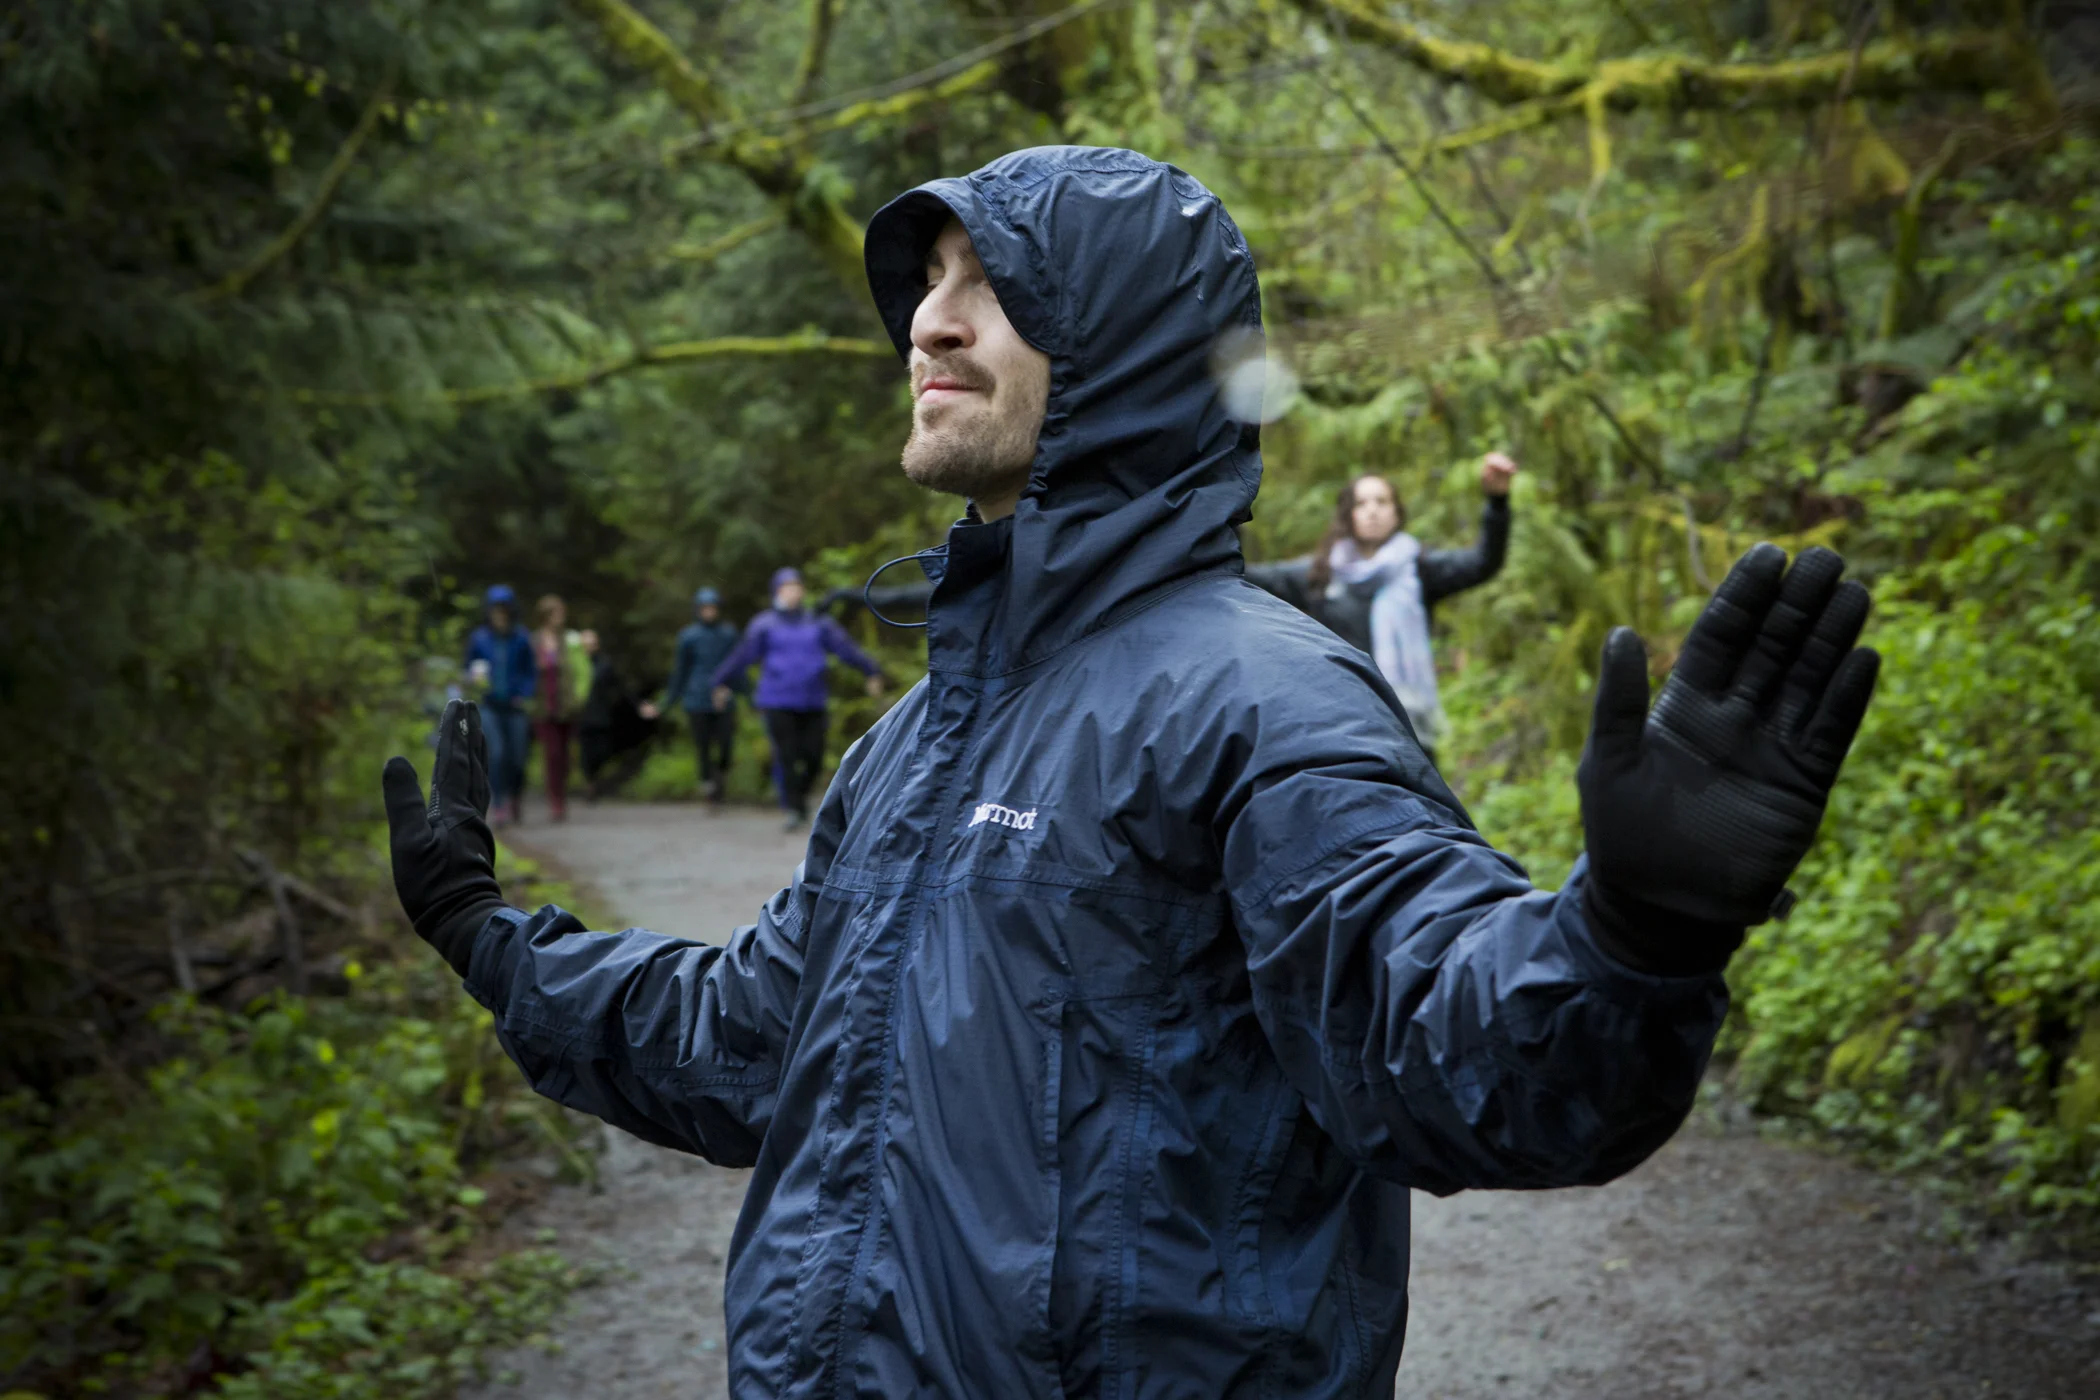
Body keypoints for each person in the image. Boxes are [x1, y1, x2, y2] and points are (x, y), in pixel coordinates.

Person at [383, 148, 1880, 1398]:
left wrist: (1634, 938)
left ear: (1129, 353)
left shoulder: (1263, 702)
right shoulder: (913, 739)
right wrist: (493, 940)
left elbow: (1449, 1044)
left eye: (991, 285)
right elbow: (757, 1041)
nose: (930, 323)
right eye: (928, 281)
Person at [1245, 454, 1516, 756]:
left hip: (1406, 724)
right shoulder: (1322, 574)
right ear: (1348, 514)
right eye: (1361, 503)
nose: (1372, 510)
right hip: (1340, 725)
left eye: (1381, 501)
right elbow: (1254, 577)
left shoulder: (1418, 569)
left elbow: (1482, 563)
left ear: (1396, 512)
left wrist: (1497, 503)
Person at [707, 568, 883, 830]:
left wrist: (871, 670)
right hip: (777, 701)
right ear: (776, 592)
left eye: (796, 586)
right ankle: (794, 809)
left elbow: (845, 648)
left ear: (802, 591)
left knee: (814, 757)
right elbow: (742, 656)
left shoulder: (818, 622)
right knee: (787, 757)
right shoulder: (764, 624)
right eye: (786, 587)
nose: (792, 592)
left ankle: (798, 797)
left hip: (813, 700)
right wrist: (720, 681)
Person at [640, 587, 745, 804]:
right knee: (703, 746)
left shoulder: (728, 634)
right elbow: (680, 673)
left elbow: (737, 667)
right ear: (698, 610)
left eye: (712, 607)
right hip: (696, 698)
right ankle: (709, 787)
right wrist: (665, 703)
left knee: (726, 745)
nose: (709, 612)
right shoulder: (689, 636)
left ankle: (720, 775)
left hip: (723, 697)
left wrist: (750, 695)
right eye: (705, 608)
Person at [462, 584, 534, 825]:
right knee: (497, 753)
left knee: (518, 757)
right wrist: (474, 681)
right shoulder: (480, 638)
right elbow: (468, 668)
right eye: (496, 608)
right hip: (488, 705)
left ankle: (515, 796)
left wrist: (524, 693)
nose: (500, 613)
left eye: (504, 608)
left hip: (515, 707)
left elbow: (530, 671)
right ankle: (499, 803)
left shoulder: (521, 637)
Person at [529, 595, 589, 821]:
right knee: (551, 754)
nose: (560, 617)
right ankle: (555, 801)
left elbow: (583, 671)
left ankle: (562, 794)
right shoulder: (534, 641)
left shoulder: (570, 640)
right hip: (544, 706)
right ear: (545, 616)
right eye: (556, 613)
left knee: (566, 756)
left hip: (566, 706)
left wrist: (579, 698)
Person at [575, 628, 651, 799]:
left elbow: (621, 687)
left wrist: (639, 704)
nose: (589, 646)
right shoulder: (575, 665)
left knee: (602, 750)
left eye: (592, 643)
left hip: (601, 714)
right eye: (586, 643)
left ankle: (597, 778)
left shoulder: (605, 664)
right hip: (582, 716)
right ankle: (590, 782)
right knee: (586, 753)